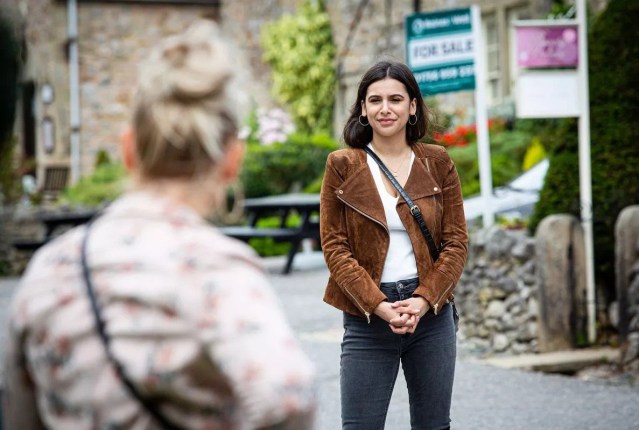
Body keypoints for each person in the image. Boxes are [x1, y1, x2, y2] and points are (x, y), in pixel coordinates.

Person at [2, 20, 315, 430]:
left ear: (128, 149)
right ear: (232, 160)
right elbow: (287, 401)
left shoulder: (50, 268)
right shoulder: (218, 271)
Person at [320, 59, 468, 430]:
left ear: (412, 106)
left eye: (396, 99)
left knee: (433, 426)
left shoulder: (438, 162)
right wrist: (381, 306)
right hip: (367, 316)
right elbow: (335, 247)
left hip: (430, 316)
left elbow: (456, 242)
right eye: (375, 100)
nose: (385, 108)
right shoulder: (342, 164)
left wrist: (423, 299)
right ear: (364, 109)